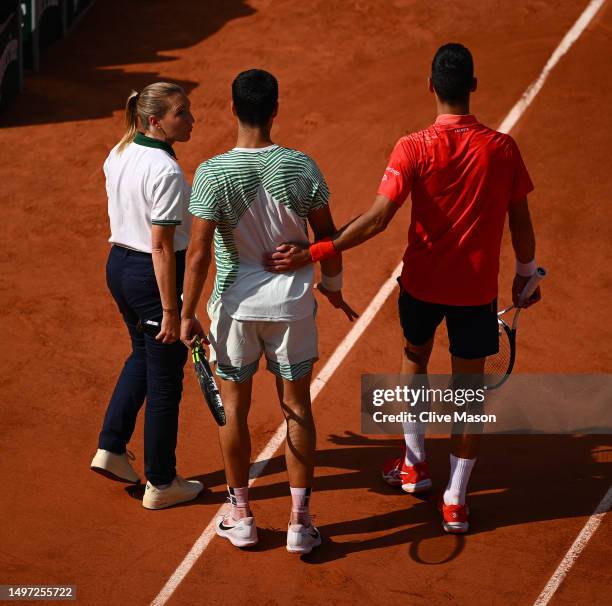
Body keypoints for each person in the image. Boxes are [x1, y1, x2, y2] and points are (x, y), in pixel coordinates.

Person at [265, 43, 541, 533]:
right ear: (473, 86)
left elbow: (375, 221)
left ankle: (414, 465)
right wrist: (526, 272)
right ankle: (455, 499)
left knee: (414, 357)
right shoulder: (502, 149)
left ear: (431, 85)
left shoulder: (413, 147)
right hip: (475, 293)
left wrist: (314, 251)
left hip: (421, 286)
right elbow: (520, 222)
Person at [180, 69, 356, 553]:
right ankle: (300, 524)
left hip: (234, 310)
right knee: (297, 408)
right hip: (291, 308)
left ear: (233, 109)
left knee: (233, 411)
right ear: (275, 110)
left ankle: (241, 516)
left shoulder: (212, 173)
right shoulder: (300, 166)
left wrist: (185, 313)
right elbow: (328, 238)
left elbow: (197, 254)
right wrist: (334, 287)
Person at [90, 82, 204, 510]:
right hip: (151, 275)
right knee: (164, 380)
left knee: (142, 352)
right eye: (182, 113)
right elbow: (160, 246)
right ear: (155, 120)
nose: (191, 119)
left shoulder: (118, 152)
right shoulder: (166, 172)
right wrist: (173, 310)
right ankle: (160, 481)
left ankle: (112, 447)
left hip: (118, 268)